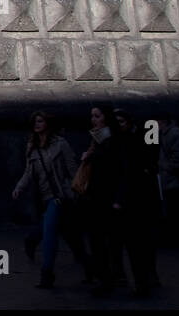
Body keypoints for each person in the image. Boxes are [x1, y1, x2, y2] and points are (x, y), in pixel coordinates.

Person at [11, 111, 85, 288]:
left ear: (48, 124)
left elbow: (73, 170)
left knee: (51, 231)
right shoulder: (32, 146)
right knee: (62, 229)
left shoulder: (61, 144)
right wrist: (19, 187)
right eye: (35, 122)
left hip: (59, 195)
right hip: (43, 196)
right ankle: (88, 265)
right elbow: (29, 171)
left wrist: (76, 193)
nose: (37, 125)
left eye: (40, 121)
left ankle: (47, 273)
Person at [111, 108, 161, 297]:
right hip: (127, 199)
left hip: (141, 200)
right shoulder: (118, 140)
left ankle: (145, 278)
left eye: (122, 122)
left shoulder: (145, 132)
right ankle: (139, 278)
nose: (119, 126)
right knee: (132, 243)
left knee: (142, 242)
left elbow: (149, 163)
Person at [77, 104, 119, 296]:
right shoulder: (97, 138)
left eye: (97, 116)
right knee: (98, 239)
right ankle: (104, 276)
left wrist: (91, 157)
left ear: (106, 118)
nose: (93, 119)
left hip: (105, 197)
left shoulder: (109, 140)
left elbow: (113, 168)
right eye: (92, 116)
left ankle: (108, 278)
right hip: (94, 196)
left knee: (103, 240)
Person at [158, 115, 179, 246]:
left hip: (174, 181)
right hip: (169, 180)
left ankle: (177, 240)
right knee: (172, 211)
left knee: (175, 211)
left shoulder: (175, 134)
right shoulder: (165, 133)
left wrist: (162, 166)